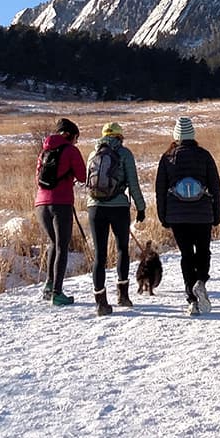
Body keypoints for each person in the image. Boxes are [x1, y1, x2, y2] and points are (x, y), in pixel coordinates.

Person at [155, 116, 220, 316]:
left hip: (177, 216)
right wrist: (217, 214)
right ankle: (201, 280)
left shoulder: (167, 158)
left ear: (176, 136)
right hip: (203, 214)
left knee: (186, 255)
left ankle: (192, 301)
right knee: (203, 252)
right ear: (192, 135)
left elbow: (160, 191)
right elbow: (216, 188)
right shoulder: (204, 155)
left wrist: (163, 216)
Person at [85, 122, 147, 317]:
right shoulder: (125, 154)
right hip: (119, 206)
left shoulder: (92, 154)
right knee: (121, 250)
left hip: (95, 207)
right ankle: (123, 296)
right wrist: (141, 207)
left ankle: (100, 302)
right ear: (120, 136)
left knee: (100, 254)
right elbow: (133, 184)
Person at [35, 117, 86, 306]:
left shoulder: (44, 152)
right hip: (61, 203)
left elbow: (37, 178)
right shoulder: (71, 151)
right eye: (76, 137)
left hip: (40, 204)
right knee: (62, 246)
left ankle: (49, 286)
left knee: (52, 243)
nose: (76, 141)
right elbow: (82, 176)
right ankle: (57, 292)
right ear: (70, 135)